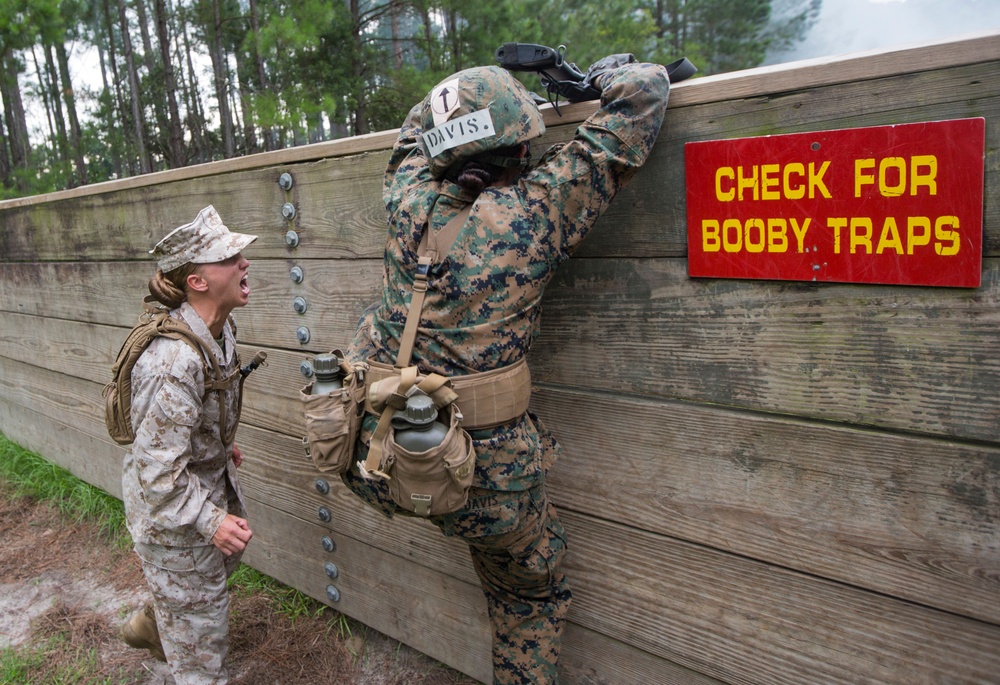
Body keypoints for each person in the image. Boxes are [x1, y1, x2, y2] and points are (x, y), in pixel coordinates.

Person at [342, 55, 671, 684]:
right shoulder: (536, 212)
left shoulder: (406, 197)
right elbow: (645, 91)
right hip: (488, 482)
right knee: (528, 594)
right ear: (518, 145)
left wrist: (473, 94)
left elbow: (418, 126)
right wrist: (592, 77)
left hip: (379, 455)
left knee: (470, 522)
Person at [119, 205, 257, 685]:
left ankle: (161, 621)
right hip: (170, 519)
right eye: (229, 258)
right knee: (203, 656)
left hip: (194, 490)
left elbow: (196, 414)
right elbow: (156, 474)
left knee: (207, 587)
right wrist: (211, 520)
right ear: (197, 282)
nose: (243, 263)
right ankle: (176, 627)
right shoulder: (173, 362)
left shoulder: (219, 332)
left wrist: (217, 444)